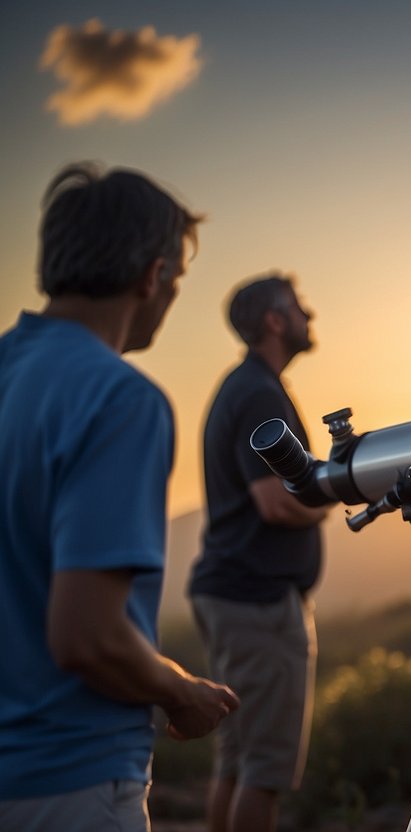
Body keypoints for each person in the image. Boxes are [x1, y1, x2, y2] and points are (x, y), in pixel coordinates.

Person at [0, 163, 239, 831]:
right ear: (152, 275)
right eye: (177, 281)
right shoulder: (119, 398)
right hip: (69, 778)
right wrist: (181, 692)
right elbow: (89, 637)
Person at [189, 273, 331, 832]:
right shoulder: (258, 394)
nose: (309, 315)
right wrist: (328, 501)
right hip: (257, 602)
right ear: (274, 321)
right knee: (264, 771)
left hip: (232, 595)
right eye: (298, 307)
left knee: (237, 760)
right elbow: (275, 502)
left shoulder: (247, 386)